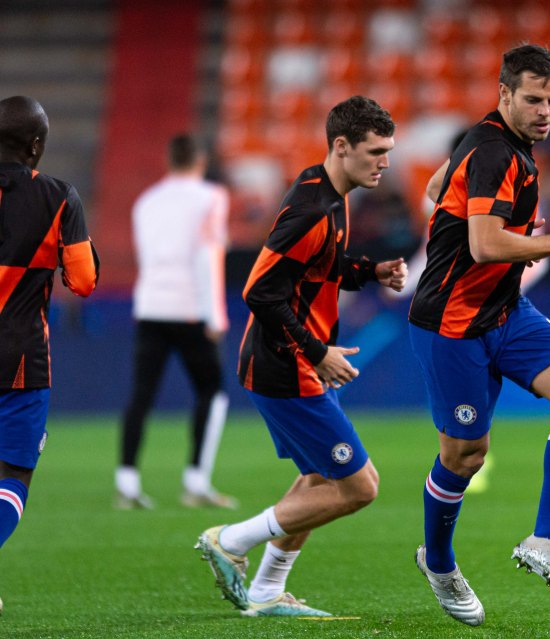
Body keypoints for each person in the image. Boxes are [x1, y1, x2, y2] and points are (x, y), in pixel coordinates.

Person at [408, 44, 550, 626]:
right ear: (504, 95)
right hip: (451, 323)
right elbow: (484, 245)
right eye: (533, 99)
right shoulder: (495, 152)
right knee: (465, 455)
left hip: (503, 309)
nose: (546, 110)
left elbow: (435, 190)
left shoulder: (493, 141)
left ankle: (545, 539)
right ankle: (438, 561)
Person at [195, 96, 407, 618]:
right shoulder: (314, 207)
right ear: (341, 145)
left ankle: (267, 592)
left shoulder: (330, 192)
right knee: (360, 486)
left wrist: (368, 272)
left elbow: (318, 269)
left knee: (319, 479)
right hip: (286, 367)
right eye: (376, 151)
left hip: (292, 364)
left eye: (389, 151)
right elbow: (259, 291)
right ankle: (230, 539)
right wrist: (317, 351)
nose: (385, 162)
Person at [0, 95, 99, 613]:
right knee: (12, 479)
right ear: (36, 145)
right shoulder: (59, 197)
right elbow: (83, 282)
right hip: (19, 363)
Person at [116, 134, 235, 510]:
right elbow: (207, 255)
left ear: (169, 160)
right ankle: (196, 480)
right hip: (190, 309)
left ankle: (127, 479)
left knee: (141, 393)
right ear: (199, 160)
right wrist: (215, 314)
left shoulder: (146, 201)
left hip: (150, 304)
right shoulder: (211, 198)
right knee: (211, 391)